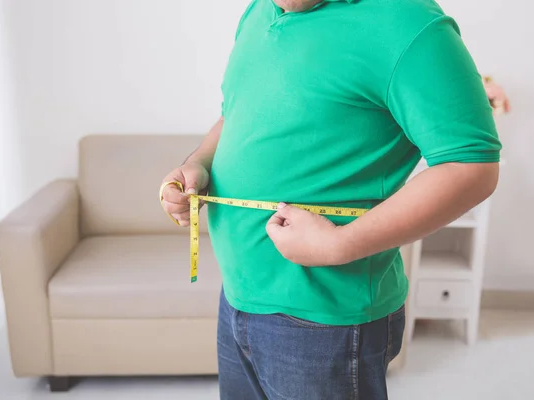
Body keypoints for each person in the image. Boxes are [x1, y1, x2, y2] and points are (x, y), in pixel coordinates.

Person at [160, 0, 502, 398]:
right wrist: (198, 163)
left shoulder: (409, 23)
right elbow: (233, 114)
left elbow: (472, 167)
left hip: (325, 322)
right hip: (238, 296)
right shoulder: (258, 12)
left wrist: (342, 243)